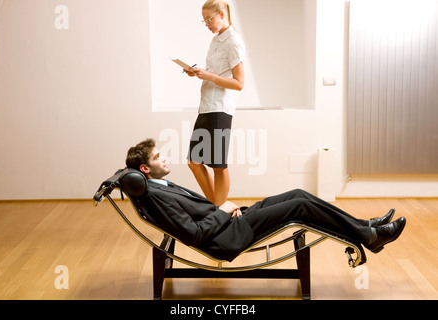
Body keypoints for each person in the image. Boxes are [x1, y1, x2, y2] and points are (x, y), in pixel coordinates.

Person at [126, 139, 407, 262]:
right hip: (227, 237)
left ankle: (364, 225)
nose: (164, 157)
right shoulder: (157, 195)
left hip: (231, 221)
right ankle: (370, 236)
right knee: (301, 207)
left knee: (297, 194)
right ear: (145, 170)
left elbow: (198, 216)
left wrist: (226, 211)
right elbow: (194, 234)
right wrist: (223, 210)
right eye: (157, 157)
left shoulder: (159, 186)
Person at [184, 0, 245, 206]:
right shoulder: (216, 40)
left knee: (218, 165)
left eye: (209, 19)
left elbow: (239, 83)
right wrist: (198, 73)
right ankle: (217, 208)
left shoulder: (233, 42)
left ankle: (219, 213)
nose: (207, 24)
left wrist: (208, 76)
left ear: (221, 14)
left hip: (220, 109)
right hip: (206, 107)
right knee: (194, 162)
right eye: (204, 20)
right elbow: (215, 73)